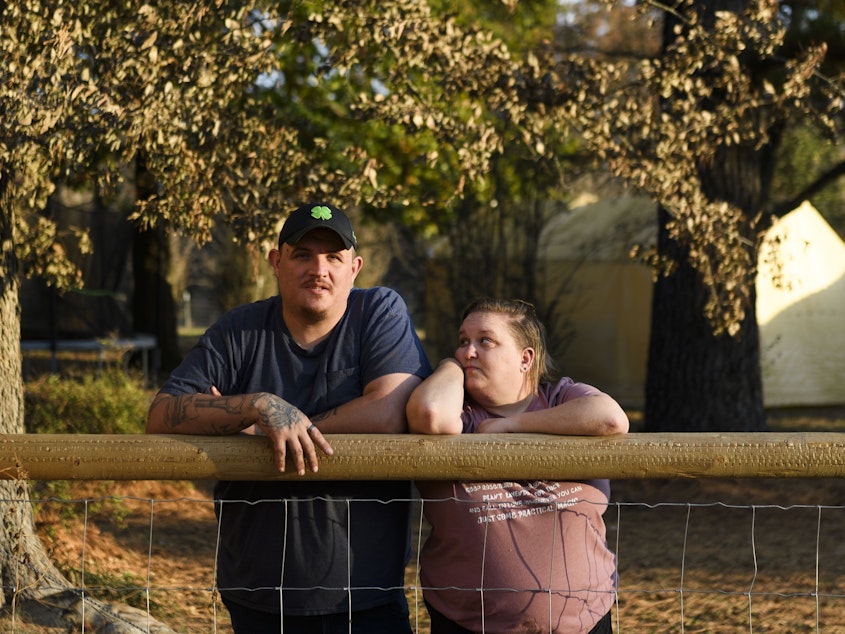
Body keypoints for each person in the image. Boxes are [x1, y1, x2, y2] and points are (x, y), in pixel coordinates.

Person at [146, 202, 432, 633]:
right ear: (276, 263)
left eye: (333, 257)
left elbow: (390, 410)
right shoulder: (239, 330)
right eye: (303, 255)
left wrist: (273, 431)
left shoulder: (378, 312)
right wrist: (260, 406)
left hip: (364, 594)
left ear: (354, 268)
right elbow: (161, 414)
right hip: (258, 595)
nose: (319, 269)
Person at [406, 297, 629, 634]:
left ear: (526, 359)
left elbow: (611, 418)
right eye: (463, 341)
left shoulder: (561, 397)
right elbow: (430, 413)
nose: (468, 351)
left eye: (485, 341)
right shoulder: (460, 417)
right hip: (469, 625)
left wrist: (510, 427)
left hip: (586, 623)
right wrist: (451, 366)